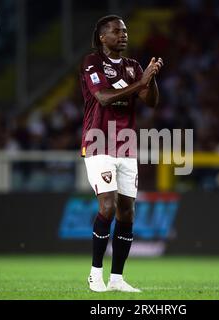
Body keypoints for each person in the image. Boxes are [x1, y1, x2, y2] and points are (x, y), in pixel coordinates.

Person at [80, 15, 163, 292]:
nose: (124, 35)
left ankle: (117, 278)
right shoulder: (92, 62)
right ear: (103, 37)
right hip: (97, 142)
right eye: (117, 31)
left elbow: (150, 102)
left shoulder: (132, 66)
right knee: (107, 205)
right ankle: (95, 274)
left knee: (127, 213)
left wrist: (149, 79)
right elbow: (102, 97)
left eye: (125, 31)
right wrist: (140, 84)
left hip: (126, 146)